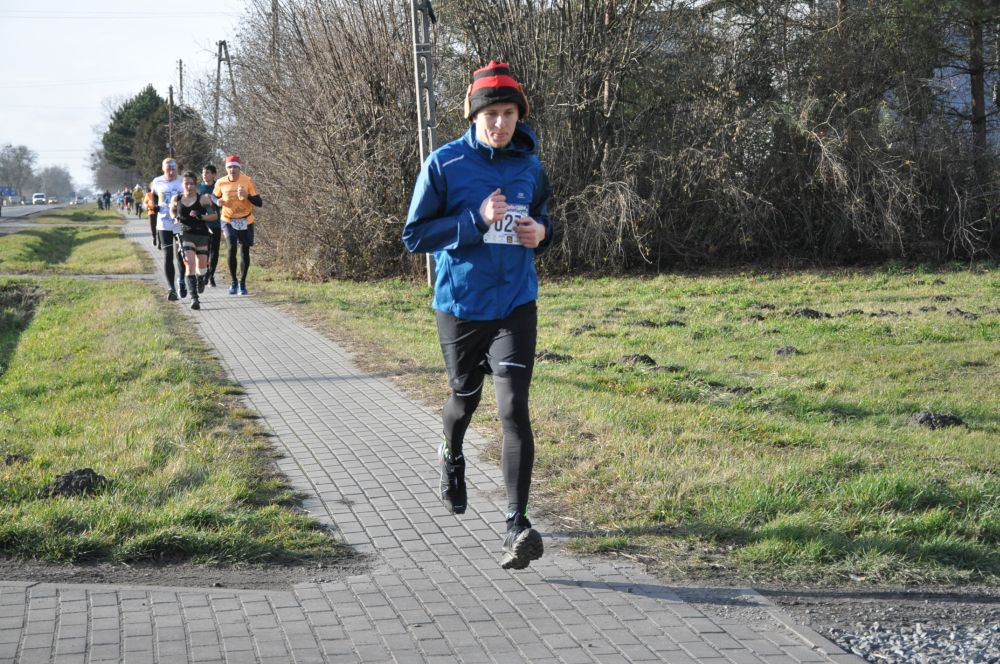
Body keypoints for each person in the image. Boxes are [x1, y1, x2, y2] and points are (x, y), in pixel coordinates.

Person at [402, 60, 553, 571]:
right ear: (473, 116)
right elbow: (414, 235)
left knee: (513, 410)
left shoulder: (530, 165)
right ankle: (451, 454)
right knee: (464, 400)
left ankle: (516, 526)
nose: (500, 123)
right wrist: (475, 220)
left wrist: (543, 233)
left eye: (509, 113)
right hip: (462, 305)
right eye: (491, 114)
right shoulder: (444, 163)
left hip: (515, 303)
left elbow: (544, 215)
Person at [213, 155, 262, 295]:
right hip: (228, 219)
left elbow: (259, 202)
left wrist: (247, 196)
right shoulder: (221, 182)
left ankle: (242, 282)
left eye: (235, 167)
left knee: (244, 250)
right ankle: (234, 281)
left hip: (246, 220)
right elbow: (213, 196)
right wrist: (217, 202)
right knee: (232, 247)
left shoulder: (247, 181)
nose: (232, 170)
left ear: (239, 168)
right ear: (226, 169)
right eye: (229, 167)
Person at [170, 171, 217, 310]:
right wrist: (175, 218)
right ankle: (194, 298)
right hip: (185, 233)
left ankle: (201, 278)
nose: (189, 186)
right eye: (186, 184)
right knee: (189, 264)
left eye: (191, 184)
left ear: (196, 184)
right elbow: (172, 210)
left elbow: (214, 216)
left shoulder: (203, 199)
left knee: (201, 267)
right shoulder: (177, 198)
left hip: (201, 234)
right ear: (182, 184)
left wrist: (201, 217)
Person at [149, 158, 186, 300]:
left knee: (181, 253)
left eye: (173, 169)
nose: (171, 172)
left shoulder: (182, 181)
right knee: (168, 255)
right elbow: (153, 196)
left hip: (178, 222)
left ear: (177, 169)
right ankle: (171, 288)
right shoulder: (157, 181)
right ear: (163, 169)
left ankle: (181, 279)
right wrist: (154, 206)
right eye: (168, 169)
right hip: (163, 224)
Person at [198, 164, 222, 287]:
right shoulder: (198, 187)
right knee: (204, 251)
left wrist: (214, 200)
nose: (204, 175)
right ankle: (205, 272)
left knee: (214, 251)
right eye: (203, 172)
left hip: (216, 223)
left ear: (214, 174)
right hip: (202, 224)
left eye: (207, 172)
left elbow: (223, 203)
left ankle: (211, 275)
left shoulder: (219, 186)